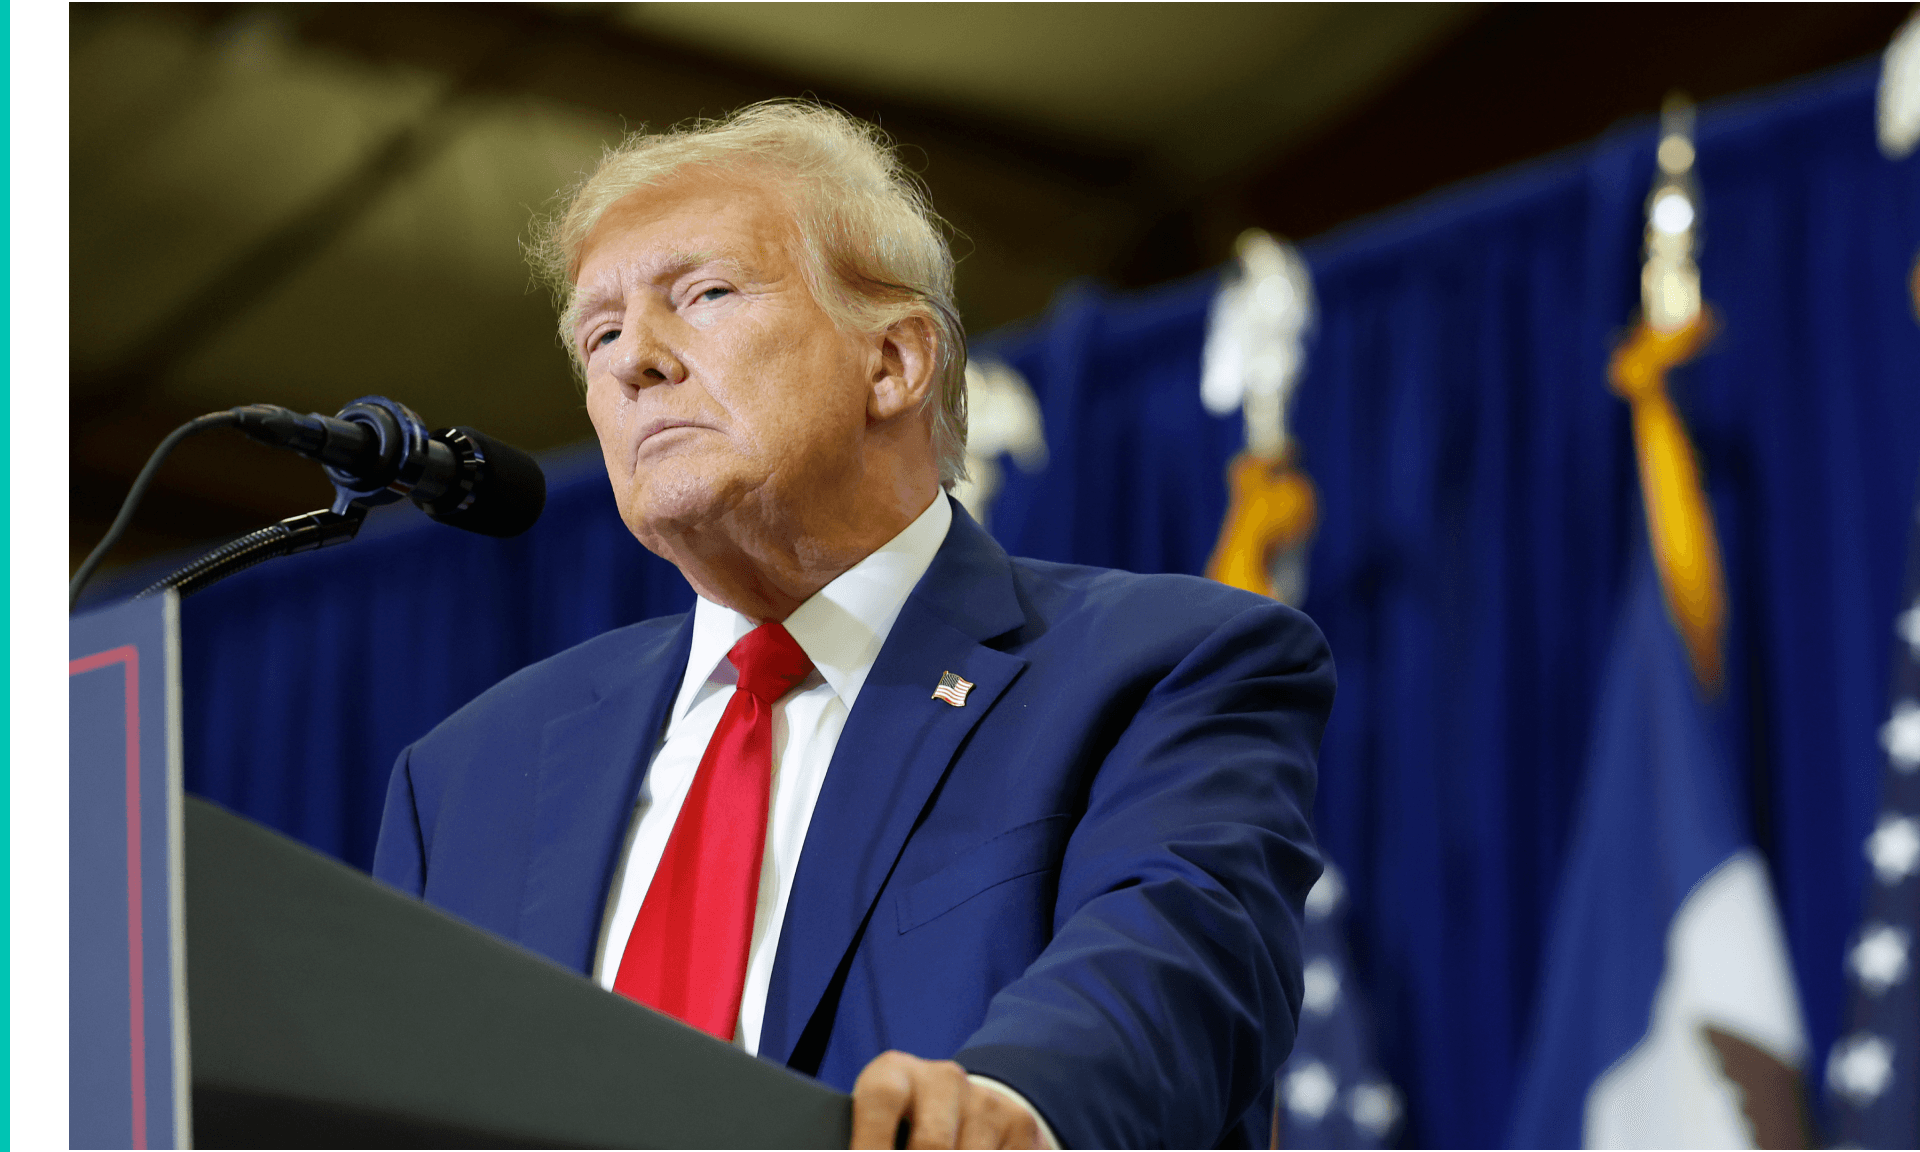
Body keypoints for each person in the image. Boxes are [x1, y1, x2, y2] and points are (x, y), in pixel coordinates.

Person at [372, 101, 1333, 1150]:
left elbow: (1180, 952)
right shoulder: (466, 779)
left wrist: (1015, 1104)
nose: (632, 359)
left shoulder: (1157, 667)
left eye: (704, 295)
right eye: (599, 332)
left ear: (895, 364)